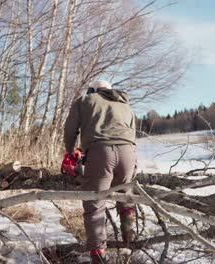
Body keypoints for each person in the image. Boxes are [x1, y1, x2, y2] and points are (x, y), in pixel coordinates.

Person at [64, 80, 137, 263]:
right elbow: (133, 133)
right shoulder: (124, 103)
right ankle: (129, 241)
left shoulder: (86, 100)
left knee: (94, 206)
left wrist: (71, 151)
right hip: (128, 152)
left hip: (100, 152)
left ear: (94, 90)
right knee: (125, 196)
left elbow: (70, 129)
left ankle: (99, 258)